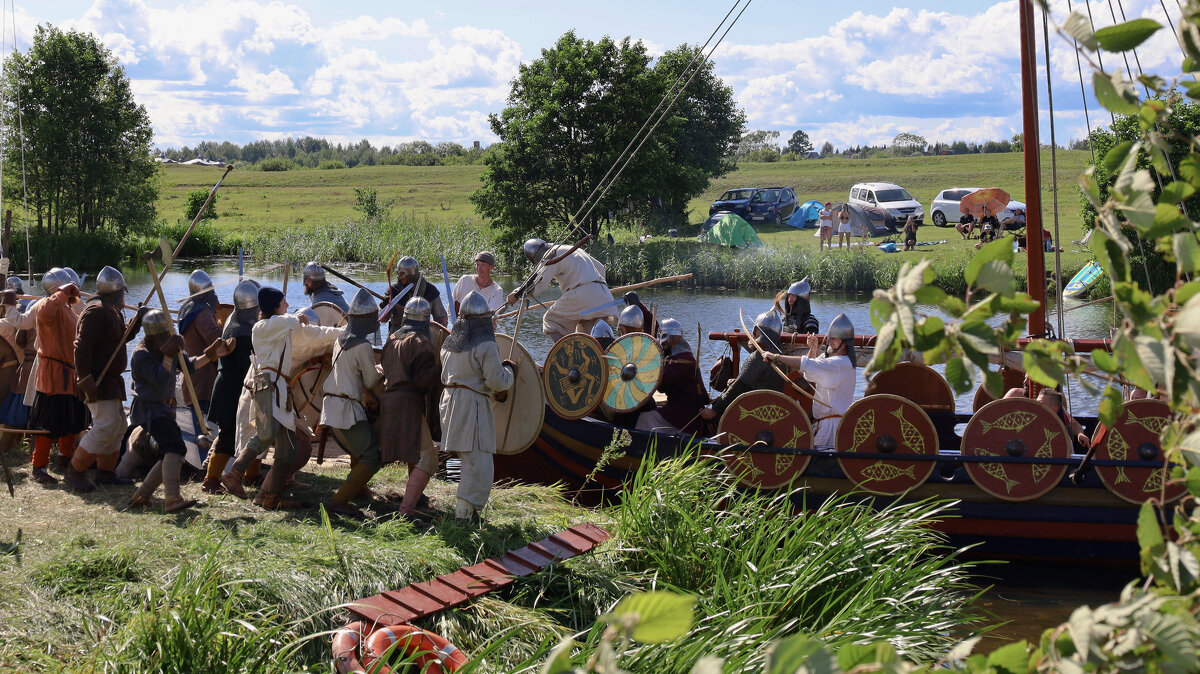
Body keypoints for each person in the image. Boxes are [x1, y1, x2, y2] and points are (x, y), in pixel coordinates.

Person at [222, 286, 341, 509]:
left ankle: (269, 497)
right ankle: (234, 474)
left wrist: (344, 333)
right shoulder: (262, 327)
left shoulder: (280, 326)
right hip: (266, 387)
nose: (287, 305)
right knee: (266, 435)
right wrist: (299, 317)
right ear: (274, 308)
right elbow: (288, 322)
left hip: (279, 390)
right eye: (283, 302)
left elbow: (317, 334)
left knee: (289, 452)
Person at [127, 310, 233, 513]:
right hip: (149, 410)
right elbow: (159, 380)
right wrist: (167, 356)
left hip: (165, 410)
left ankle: (141, 496)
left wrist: (210, 355)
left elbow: (189, 365)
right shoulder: (141, 355)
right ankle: (172, 499)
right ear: (154, 335)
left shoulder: (169, 350)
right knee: (174, 448)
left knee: (173, 450)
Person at [440, 291, 515, 520]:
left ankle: (468, 514)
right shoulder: (485, 345)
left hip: (449, 402)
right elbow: (497, 381)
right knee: (478, 466)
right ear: (484, 319)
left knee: (471, 462)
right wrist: (510, 371)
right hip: (470, 406)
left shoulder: (449, 343)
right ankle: (462, 519)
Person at [71, 266, 147, 491]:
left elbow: (118, 339)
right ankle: (75, 472)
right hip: (98, 380)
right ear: (116, 292)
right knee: (105, 426)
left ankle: (105, 473)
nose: (124, 296)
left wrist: (137, 321)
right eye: (122, 292)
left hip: (110, 381)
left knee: (118, 425)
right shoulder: (95, 311)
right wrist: (85, 381)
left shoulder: (110, 309)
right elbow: (81, 348)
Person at [319, 288, 384, 519]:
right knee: (372, 456)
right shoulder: (363, 346)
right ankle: (338, 500)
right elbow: (370, 380)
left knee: (360, 449)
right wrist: (381, 370)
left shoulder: (341, 339)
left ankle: (357, 488)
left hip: (336, 403)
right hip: (346, 407)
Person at [378, 297, 444, 519]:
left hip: (389, 400)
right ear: (425, 321)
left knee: (415, 453)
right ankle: (406, 511)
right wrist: (444, 370)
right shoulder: (420, 342)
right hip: (408, 404)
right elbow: (423, 379)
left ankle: (416, 497)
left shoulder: (393, 337)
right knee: (429, 459)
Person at [28, 271, 89, 486]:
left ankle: (66, 459)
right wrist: (61, 294)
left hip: (69, 373)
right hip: (53, 375)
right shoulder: (48, 305)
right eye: (67, 288)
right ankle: (39, 467)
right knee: (48, 423)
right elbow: (43, 314)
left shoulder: (68, 308)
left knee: (72, 420)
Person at [765, 313, 857, 449]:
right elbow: (810, 368)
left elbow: (806, 364)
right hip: (827, 425)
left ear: (845, 343)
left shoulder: (839, 364)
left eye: (836, 339)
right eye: (831, 338)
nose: (831, 341)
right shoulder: (837, 363)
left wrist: (776, 357)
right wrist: (812, 350)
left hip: (830, 428)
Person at [201, 279, 260, 493]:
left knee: (253, 429)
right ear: (253, 307)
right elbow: (248, 365)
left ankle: (252, 474)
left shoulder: (234, 322)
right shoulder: (242, 332)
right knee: (228, 435)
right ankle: (211, 480)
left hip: (237, 386)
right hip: (232, 388)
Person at [507, 238, 615, 342]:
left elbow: (540, 284)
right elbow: (601, 268)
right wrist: (596, 290)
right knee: (585, 336)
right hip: (604, 295)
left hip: (581, 293)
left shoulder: (551, 254)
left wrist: (517, 294)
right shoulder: (572, 249)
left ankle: (567, 356)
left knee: (550, 320)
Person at [701, 311, 787, 422]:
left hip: (755, 412)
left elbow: (739, 386)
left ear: (757, 331)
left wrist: (715, 410)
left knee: (715, 419)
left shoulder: (758, 356)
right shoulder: (780, 357)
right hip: (772, 411)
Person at [636, 318, 709, 435]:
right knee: (650, 412)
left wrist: (648, 366)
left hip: (686, 414)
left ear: (671, 338)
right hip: (678, 409)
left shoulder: (684, 359)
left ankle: (641, 449)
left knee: (646, 417)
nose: (662, 341)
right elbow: (662, 387)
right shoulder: (676, 357)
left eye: (664, 337)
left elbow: (662, 379)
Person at [178, 269, 222, 444]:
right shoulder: (202, 313)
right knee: (205, 433)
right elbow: (216, 341)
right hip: (203, 380)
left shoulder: (187, 309)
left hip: (192, 376)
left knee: (201, 429)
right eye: (211, 290)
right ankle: (205, 466)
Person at [1004, 378, 1090, 452]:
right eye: (1025, 378)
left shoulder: (1052, 403)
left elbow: (1074, 424)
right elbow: (997, 414)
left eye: (1029, 379)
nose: (1025, 381)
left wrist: (1080, 434)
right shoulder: (1015, 394)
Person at [381, 256, 448, 333]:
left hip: (423, 334)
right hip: (396, 333)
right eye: (400, 275)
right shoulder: (393, 290)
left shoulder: (430, 291)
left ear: (412, 275)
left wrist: (438, 333)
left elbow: (441, 318)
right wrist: (385, 307)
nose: (401, 279)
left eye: (404, 275)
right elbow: (383, 319)